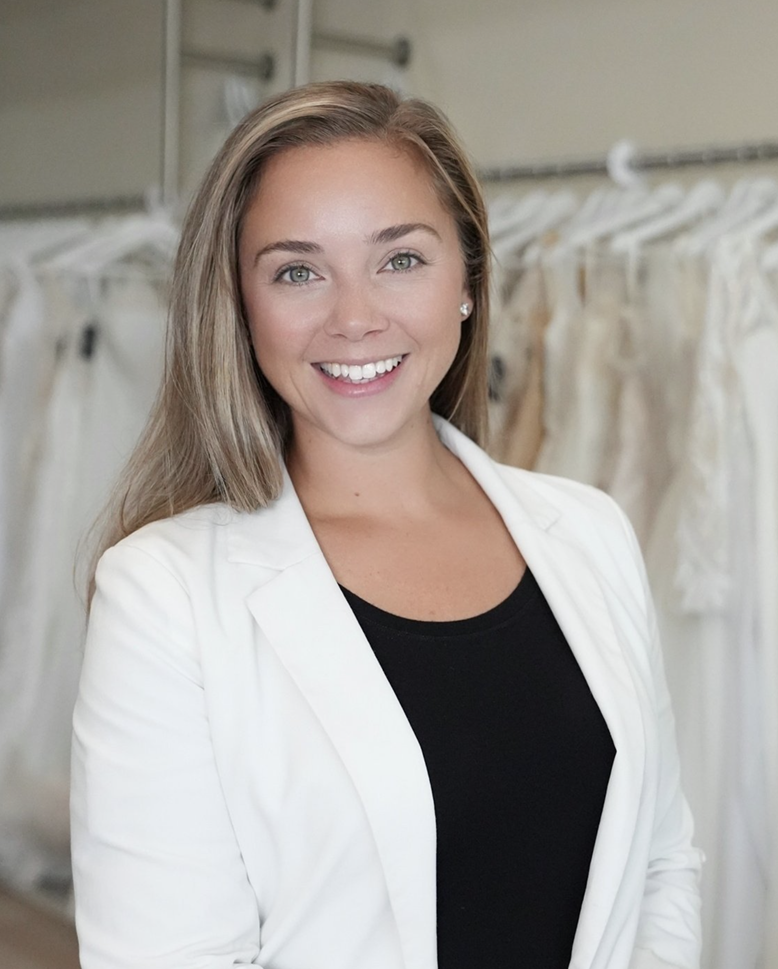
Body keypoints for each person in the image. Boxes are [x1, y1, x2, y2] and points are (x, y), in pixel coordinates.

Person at [70, 81, 702, 969]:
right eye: (298, 270)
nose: (355, 316)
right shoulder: (164, 595)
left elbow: (660, 867)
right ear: (240, 310)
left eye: (399, 258)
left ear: (470, 280)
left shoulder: (590, 533)